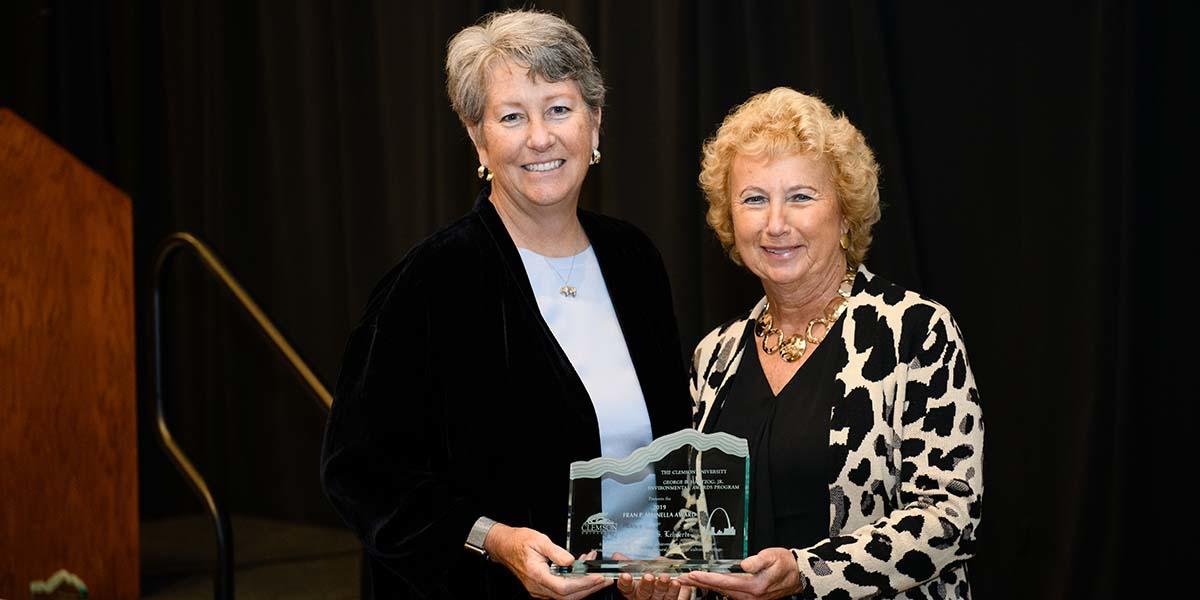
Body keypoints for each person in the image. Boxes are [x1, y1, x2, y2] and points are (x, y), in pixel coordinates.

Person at [320, 10, 692, 599]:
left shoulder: (634, 260)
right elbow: (359, 472)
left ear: (595, 124)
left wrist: (668, 562)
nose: (540, 137)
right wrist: (494, 541)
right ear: (478, 137)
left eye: (560, 109)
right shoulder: (432, 279)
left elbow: (671, 444)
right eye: (512, 116)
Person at [671, 88, 983, 599]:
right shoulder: (714, 357)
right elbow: (698, 529)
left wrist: (806, 571)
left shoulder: (915, 331)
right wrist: (666, 575)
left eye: (800, 196)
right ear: (730, 219)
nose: (775, 223)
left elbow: (949, 516)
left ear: (844, 212)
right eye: (754, 199)